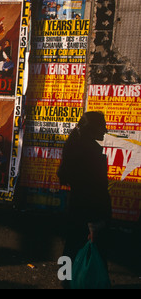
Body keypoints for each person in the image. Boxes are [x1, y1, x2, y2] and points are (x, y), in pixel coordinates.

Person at [57, 111, 112, 287]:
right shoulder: (92, 153)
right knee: (95, 253)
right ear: (92, 128)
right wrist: (94, 223)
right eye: (102, 125)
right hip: (91, 213)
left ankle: (64, 282)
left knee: (70, 248)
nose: (105, 129)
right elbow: (93, 189)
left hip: (76, 209)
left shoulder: (76, 147)